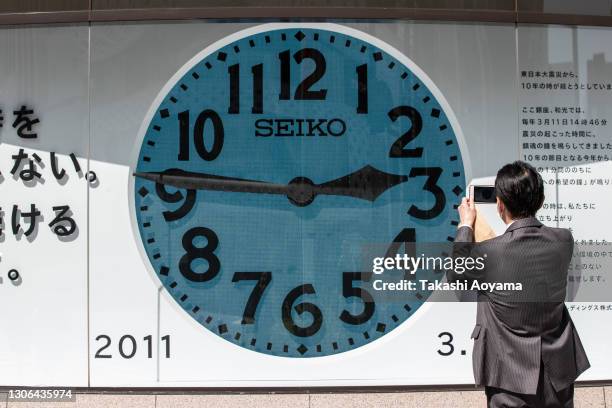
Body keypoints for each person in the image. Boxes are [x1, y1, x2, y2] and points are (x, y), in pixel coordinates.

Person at [448, 161, 590, 408]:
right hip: (557, 371)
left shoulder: (488, 253)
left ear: (500, 204)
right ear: (542, 199)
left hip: (508, 374)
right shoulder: (564, 240)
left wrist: (466, 225)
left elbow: (457, 275)